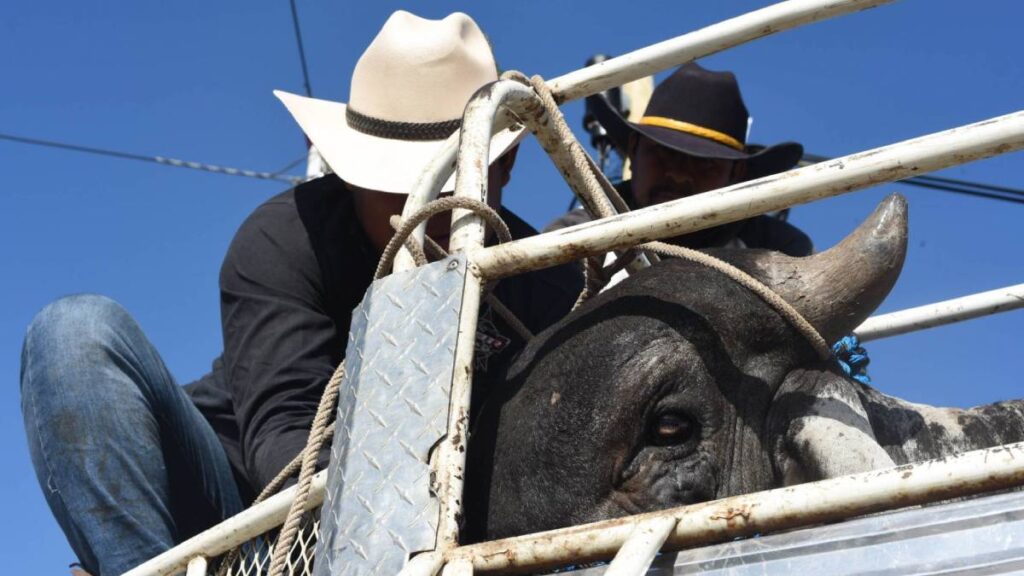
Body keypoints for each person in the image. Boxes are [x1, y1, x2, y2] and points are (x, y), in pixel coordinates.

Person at [20, 12, 581, 575]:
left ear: (504, 164)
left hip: (450, 533)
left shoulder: (552, 281)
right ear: (354, 173)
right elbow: (283, 436)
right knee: (75, 335)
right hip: (246, 513)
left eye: (451, 176)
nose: (422, 204)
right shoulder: (285, 238)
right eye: (399, 181)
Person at [547, 62, 813, 257]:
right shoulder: (574, 237)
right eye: (663, 153)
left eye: (705, 162)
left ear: (736, 173)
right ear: (634, 147)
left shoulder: (779, 251)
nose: (678, 175)